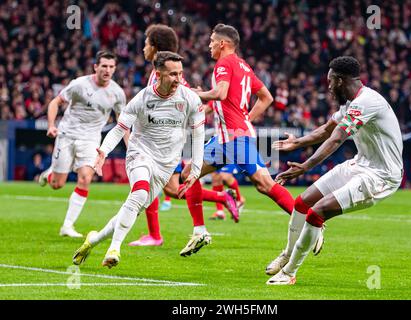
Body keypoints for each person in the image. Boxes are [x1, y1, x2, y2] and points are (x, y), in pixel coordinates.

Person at [265, 56, 403, 285]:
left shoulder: (367, 102)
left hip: (381, 176)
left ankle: (289, 273)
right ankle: (287, 254)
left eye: (330, 82)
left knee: (316, 212)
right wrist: (297, 142)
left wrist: (306, 166)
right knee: (302, 203)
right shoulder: (350, 102)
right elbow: (328, 129)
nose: (328, 87)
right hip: (360, 165)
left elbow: (337, 138)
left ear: (340, 80)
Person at [72, 51, 205, 268]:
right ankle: (114, 249)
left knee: (133, 208)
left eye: (180, 74)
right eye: (172, 74)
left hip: (166, 164)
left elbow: (198, 134)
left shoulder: (190, 99)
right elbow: (120, 128)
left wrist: (196, 169)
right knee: (140, 192)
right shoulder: (142, 99)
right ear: (158, 74)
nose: (178, 79)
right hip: (140, 154)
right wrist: (103, 151)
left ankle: (94, 239)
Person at [178, 23, 295, 257]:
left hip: (235, 138)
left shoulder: (224, 64)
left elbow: (220, 93)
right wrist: (247, 118)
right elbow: (266, 97)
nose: (209, 45)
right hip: (224, 138)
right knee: (188, 173)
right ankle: (199, 231)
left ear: (223, 43)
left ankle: (310, 220)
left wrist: (189, 93)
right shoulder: (244, 66)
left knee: (264, 184)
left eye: (212, 41)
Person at [128, 24, 237, 247]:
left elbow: (189, 103)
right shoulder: (159, 73)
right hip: (166, 138)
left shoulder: (167, 76)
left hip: (170, 140)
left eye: (146, 43)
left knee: (160, 183)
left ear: (155, 46)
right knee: (170, 188)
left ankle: (155, 235)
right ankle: (220, 198)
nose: (143, 49)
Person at [38, 51, 127, 238]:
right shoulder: (79, 84)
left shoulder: (117, 93)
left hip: (91, 139)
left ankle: (67, 226)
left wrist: (130, 146)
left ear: (115, 69)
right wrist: (51, 125)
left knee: (86, 178)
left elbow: (123, 124)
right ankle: (50, 174)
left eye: (111, 67)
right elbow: (56, 102)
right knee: (57, 185)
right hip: (67, 135)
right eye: (104, 66)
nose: (107, 70)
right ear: (95, 67)